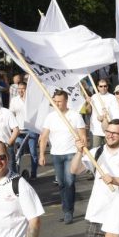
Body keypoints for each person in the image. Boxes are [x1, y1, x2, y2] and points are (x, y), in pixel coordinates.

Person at [39, 89, 86, 224]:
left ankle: (68, 212)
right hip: (56, 154)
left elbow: (82, 135)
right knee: (61, 184)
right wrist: (42, 154)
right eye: (55, 101)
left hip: (71, 153)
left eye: (60, 101)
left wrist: (81, 150)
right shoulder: (50, 117)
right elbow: (44, 137)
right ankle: (66, 208)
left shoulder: (75, 115)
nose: (57, 104)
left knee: (69, 182)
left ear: (66, 101)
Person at [87, 78, 118, 147]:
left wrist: (105, 117)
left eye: (105, 86)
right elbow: (88, 111)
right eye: (101, 86)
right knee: (95, 151)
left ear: (107, 87)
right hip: (96, 130)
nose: (103, 88)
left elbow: (116, 113)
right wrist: (88, 103)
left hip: (109, 130)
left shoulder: (113, 97)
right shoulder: (94, 97)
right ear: (97, 87)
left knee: (109, 150)